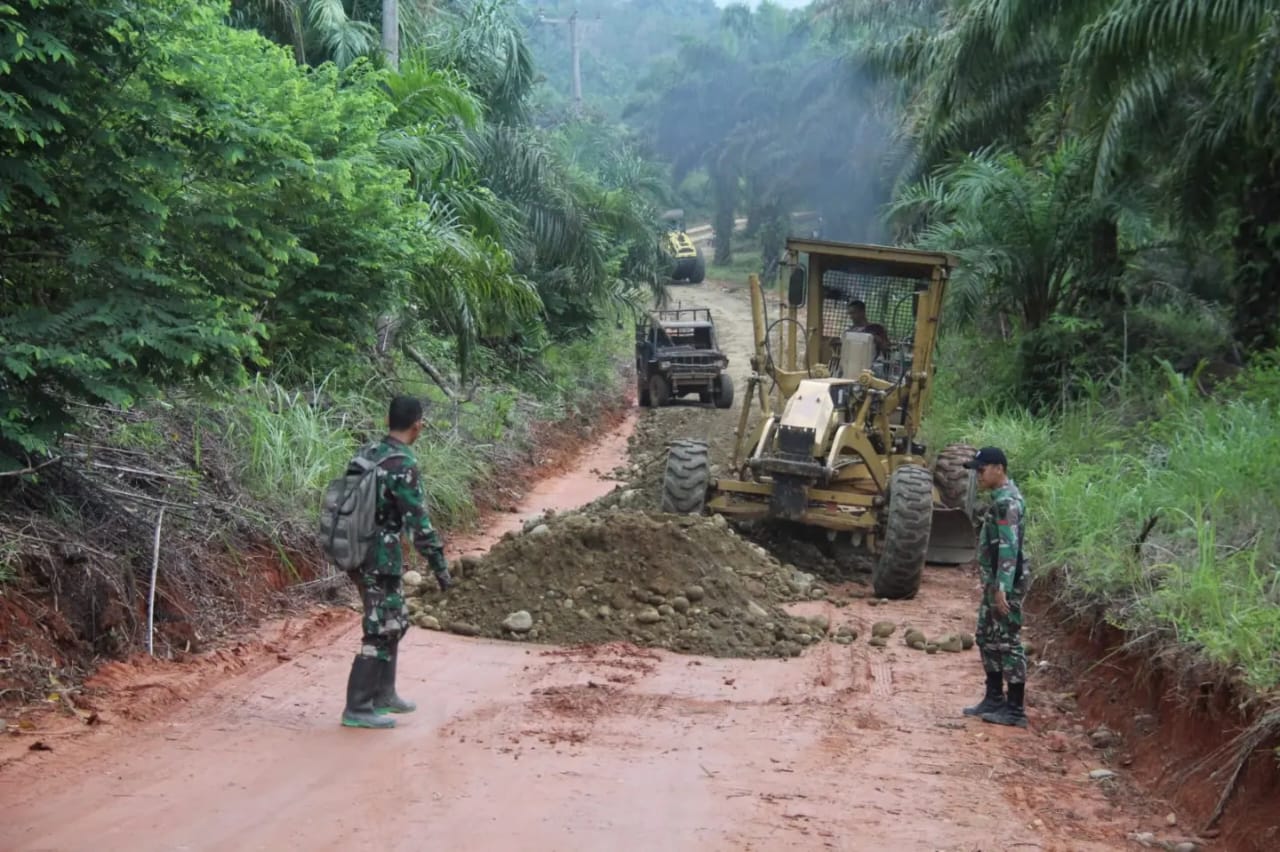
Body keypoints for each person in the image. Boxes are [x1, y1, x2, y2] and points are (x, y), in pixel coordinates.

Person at [341, 395, 453, 730]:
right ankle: (358, 707)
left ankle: (384, 694)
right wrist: (439, 565)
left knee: (396, 619)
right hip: (378, 557)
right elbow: (418, 523)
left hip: (354, 550)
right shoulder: (403, 464)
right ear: (418, 424)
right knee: (379, 628)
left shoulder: (367, 453)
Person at [961, 446, 1029, 728]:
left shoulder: (1008, 503)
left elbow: (1009, 547)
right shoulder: (1000, 499)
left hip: (1005, 584)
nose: (979, 475)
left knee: (1008, 642)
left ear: (998, 468)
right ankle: (994, 698)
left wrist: (1002, 586)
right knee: (986, 636)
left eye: (982, 469)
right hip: (995, 583)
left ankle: (1014, 709)